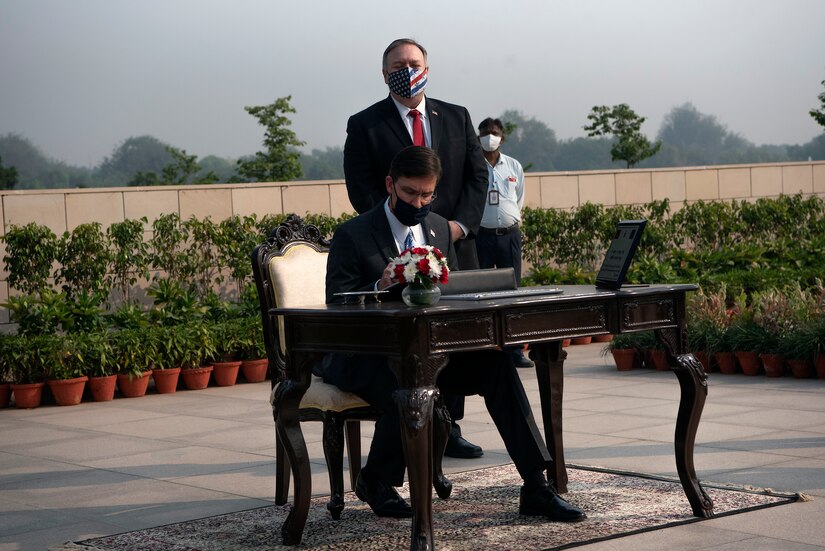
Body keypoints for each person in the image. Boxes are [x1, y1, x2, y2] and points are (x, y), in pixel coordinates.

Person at [315, 146, 585, 523]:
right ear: (390, 185)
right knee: (404, 381)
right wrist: (380, 283)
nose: (419, 202)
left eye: (428, 195)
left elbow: (451, 291)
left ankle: (536, 486)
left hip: (427, 352)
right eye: (410, 193)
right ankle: (376, 479)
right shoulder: (353, 234)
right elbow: (335, 304)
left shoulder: (439, 227)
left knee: (497, 366)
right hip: (365, 356)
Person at [343, 37, 488, 458]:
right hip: (394, 247)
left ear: (427, 66)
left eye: (413, 62)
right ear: (384, 73)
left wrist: (456, 227)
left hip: (452, 244)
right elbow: (361, 188)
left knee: (454, 335)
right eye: (397, 64)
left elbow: (478, 177)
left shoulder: (456, 116)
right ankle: (418, 423)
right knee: (410, 342)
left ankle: (450, 425)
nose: (406, 69)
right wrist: (396, 231)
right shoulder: (365, 123)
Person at [475, 117, 534, 368]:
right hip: (482, 236)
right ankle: (482, 348)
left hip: (509, 235)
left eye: (495, 132)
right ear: (478, 136)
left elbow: (518, 198)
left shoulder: (513, 166)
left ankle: (514, 350)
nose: (490, 136)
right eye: (486, 132)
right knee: (479, 294)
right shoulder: (473, 165)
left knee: (512, 293)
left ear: (502, 137)